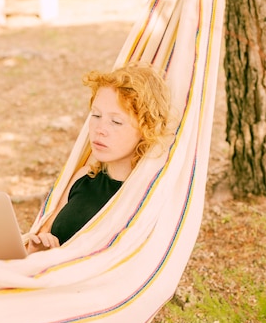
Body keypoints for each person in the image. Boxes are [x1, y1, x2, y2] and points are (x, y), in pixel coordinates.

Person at [27, 62, 172, 253]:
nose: (99, 130)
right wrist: (37, 250)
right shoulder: (83, 177)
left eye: (116, 121)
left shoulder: (146, 196)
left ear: (146, 129)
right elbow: (45, 235)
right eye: (96, 115)